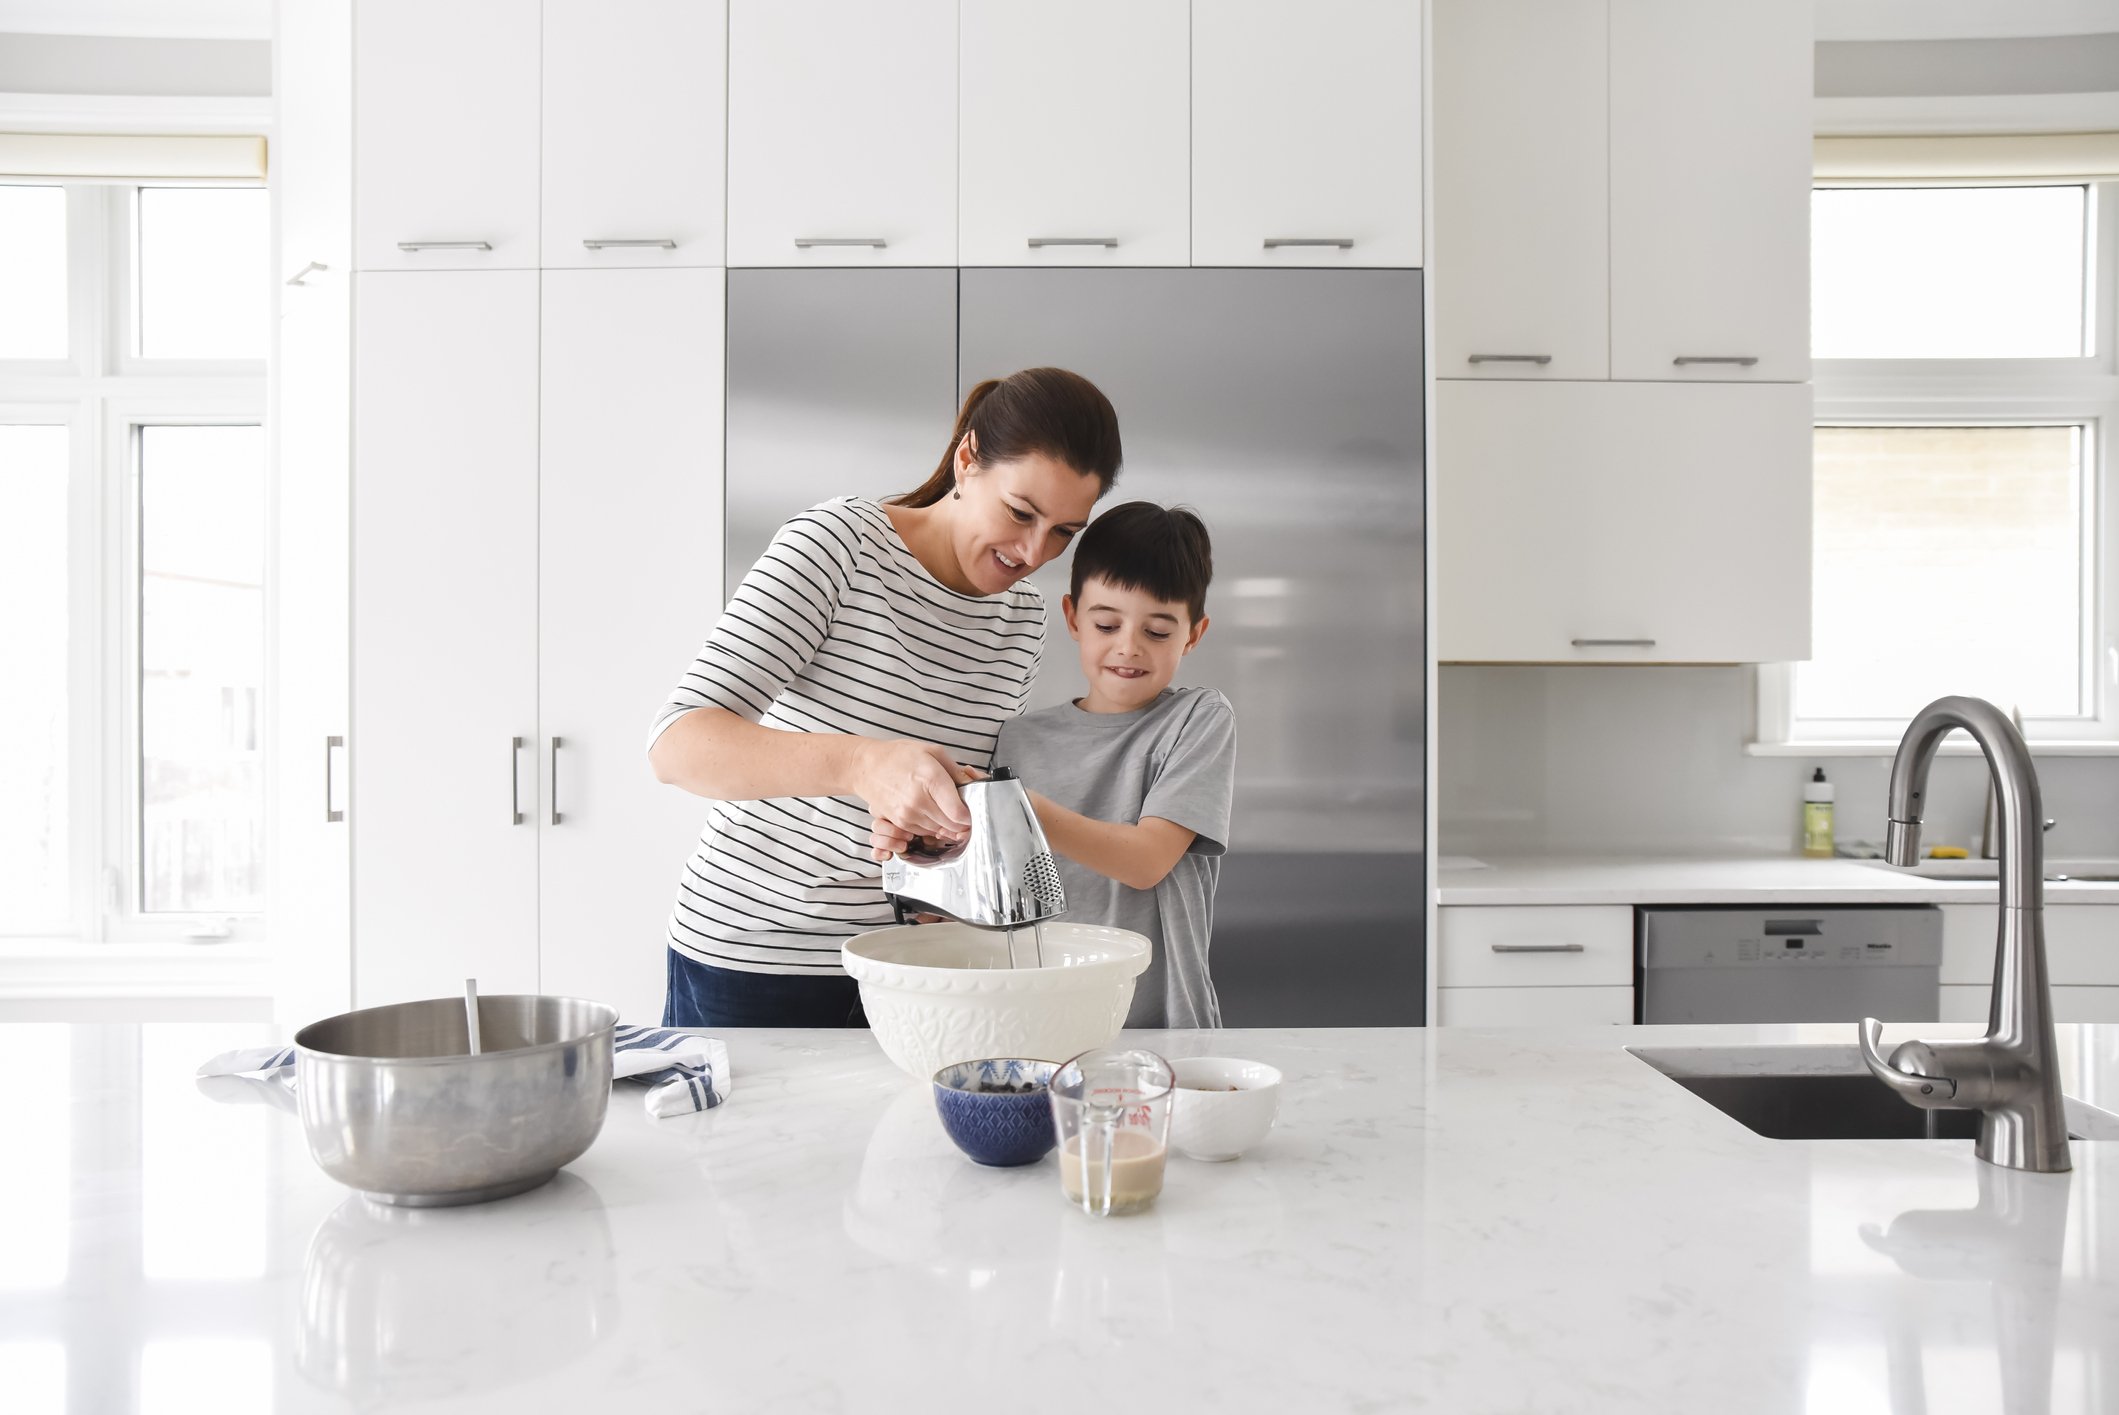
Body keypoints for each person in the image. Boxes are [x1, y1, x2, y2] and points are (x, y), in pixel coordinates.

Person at [647, 368, 1123, 1029]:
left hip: (908, 965)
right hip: (756, 952)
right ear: (967, 459)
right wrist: (863, 764)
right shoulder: (840, 545)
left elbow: (924, 799)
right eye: (1020, 512)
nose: (1032, 551)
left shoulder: (1022, 617)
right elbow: (677, 744)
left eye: (1063, 532)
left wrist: (943, 844)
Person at [961, 502, 1239, 1028]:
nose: (1128, 647)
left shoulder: (1197, 718)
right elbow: (993, 894)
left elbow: (1146, 862)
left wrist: (1017, 809)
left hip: (1160, 1023)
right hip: (1034, 1017)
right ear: (1072, 617)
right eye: (1107, 624)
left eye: (1157, 632)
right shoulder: (1017, 737)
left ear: (1194, 635)